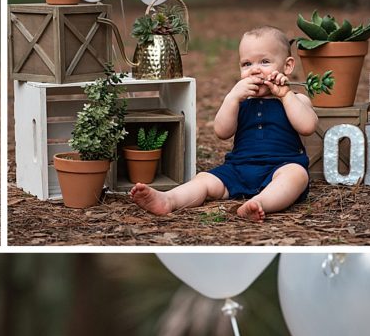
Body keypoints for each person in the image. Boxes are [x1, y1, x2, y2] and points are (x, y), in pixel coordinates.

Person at [130, 25, 317, 223]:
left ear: (287, 66)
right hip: (238, 168)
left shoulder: (296, 99)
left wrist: (286, 95)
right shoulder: (240, 102)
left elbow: (307, 126)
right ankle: (169, 199)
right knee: (205, 180)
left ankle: (260, 203)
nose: (254, 70)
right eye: (246, 64)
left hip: (281, 168)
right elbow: (222, 131)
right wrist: (232, 98)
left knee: (296, 175)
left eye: (265, 61)